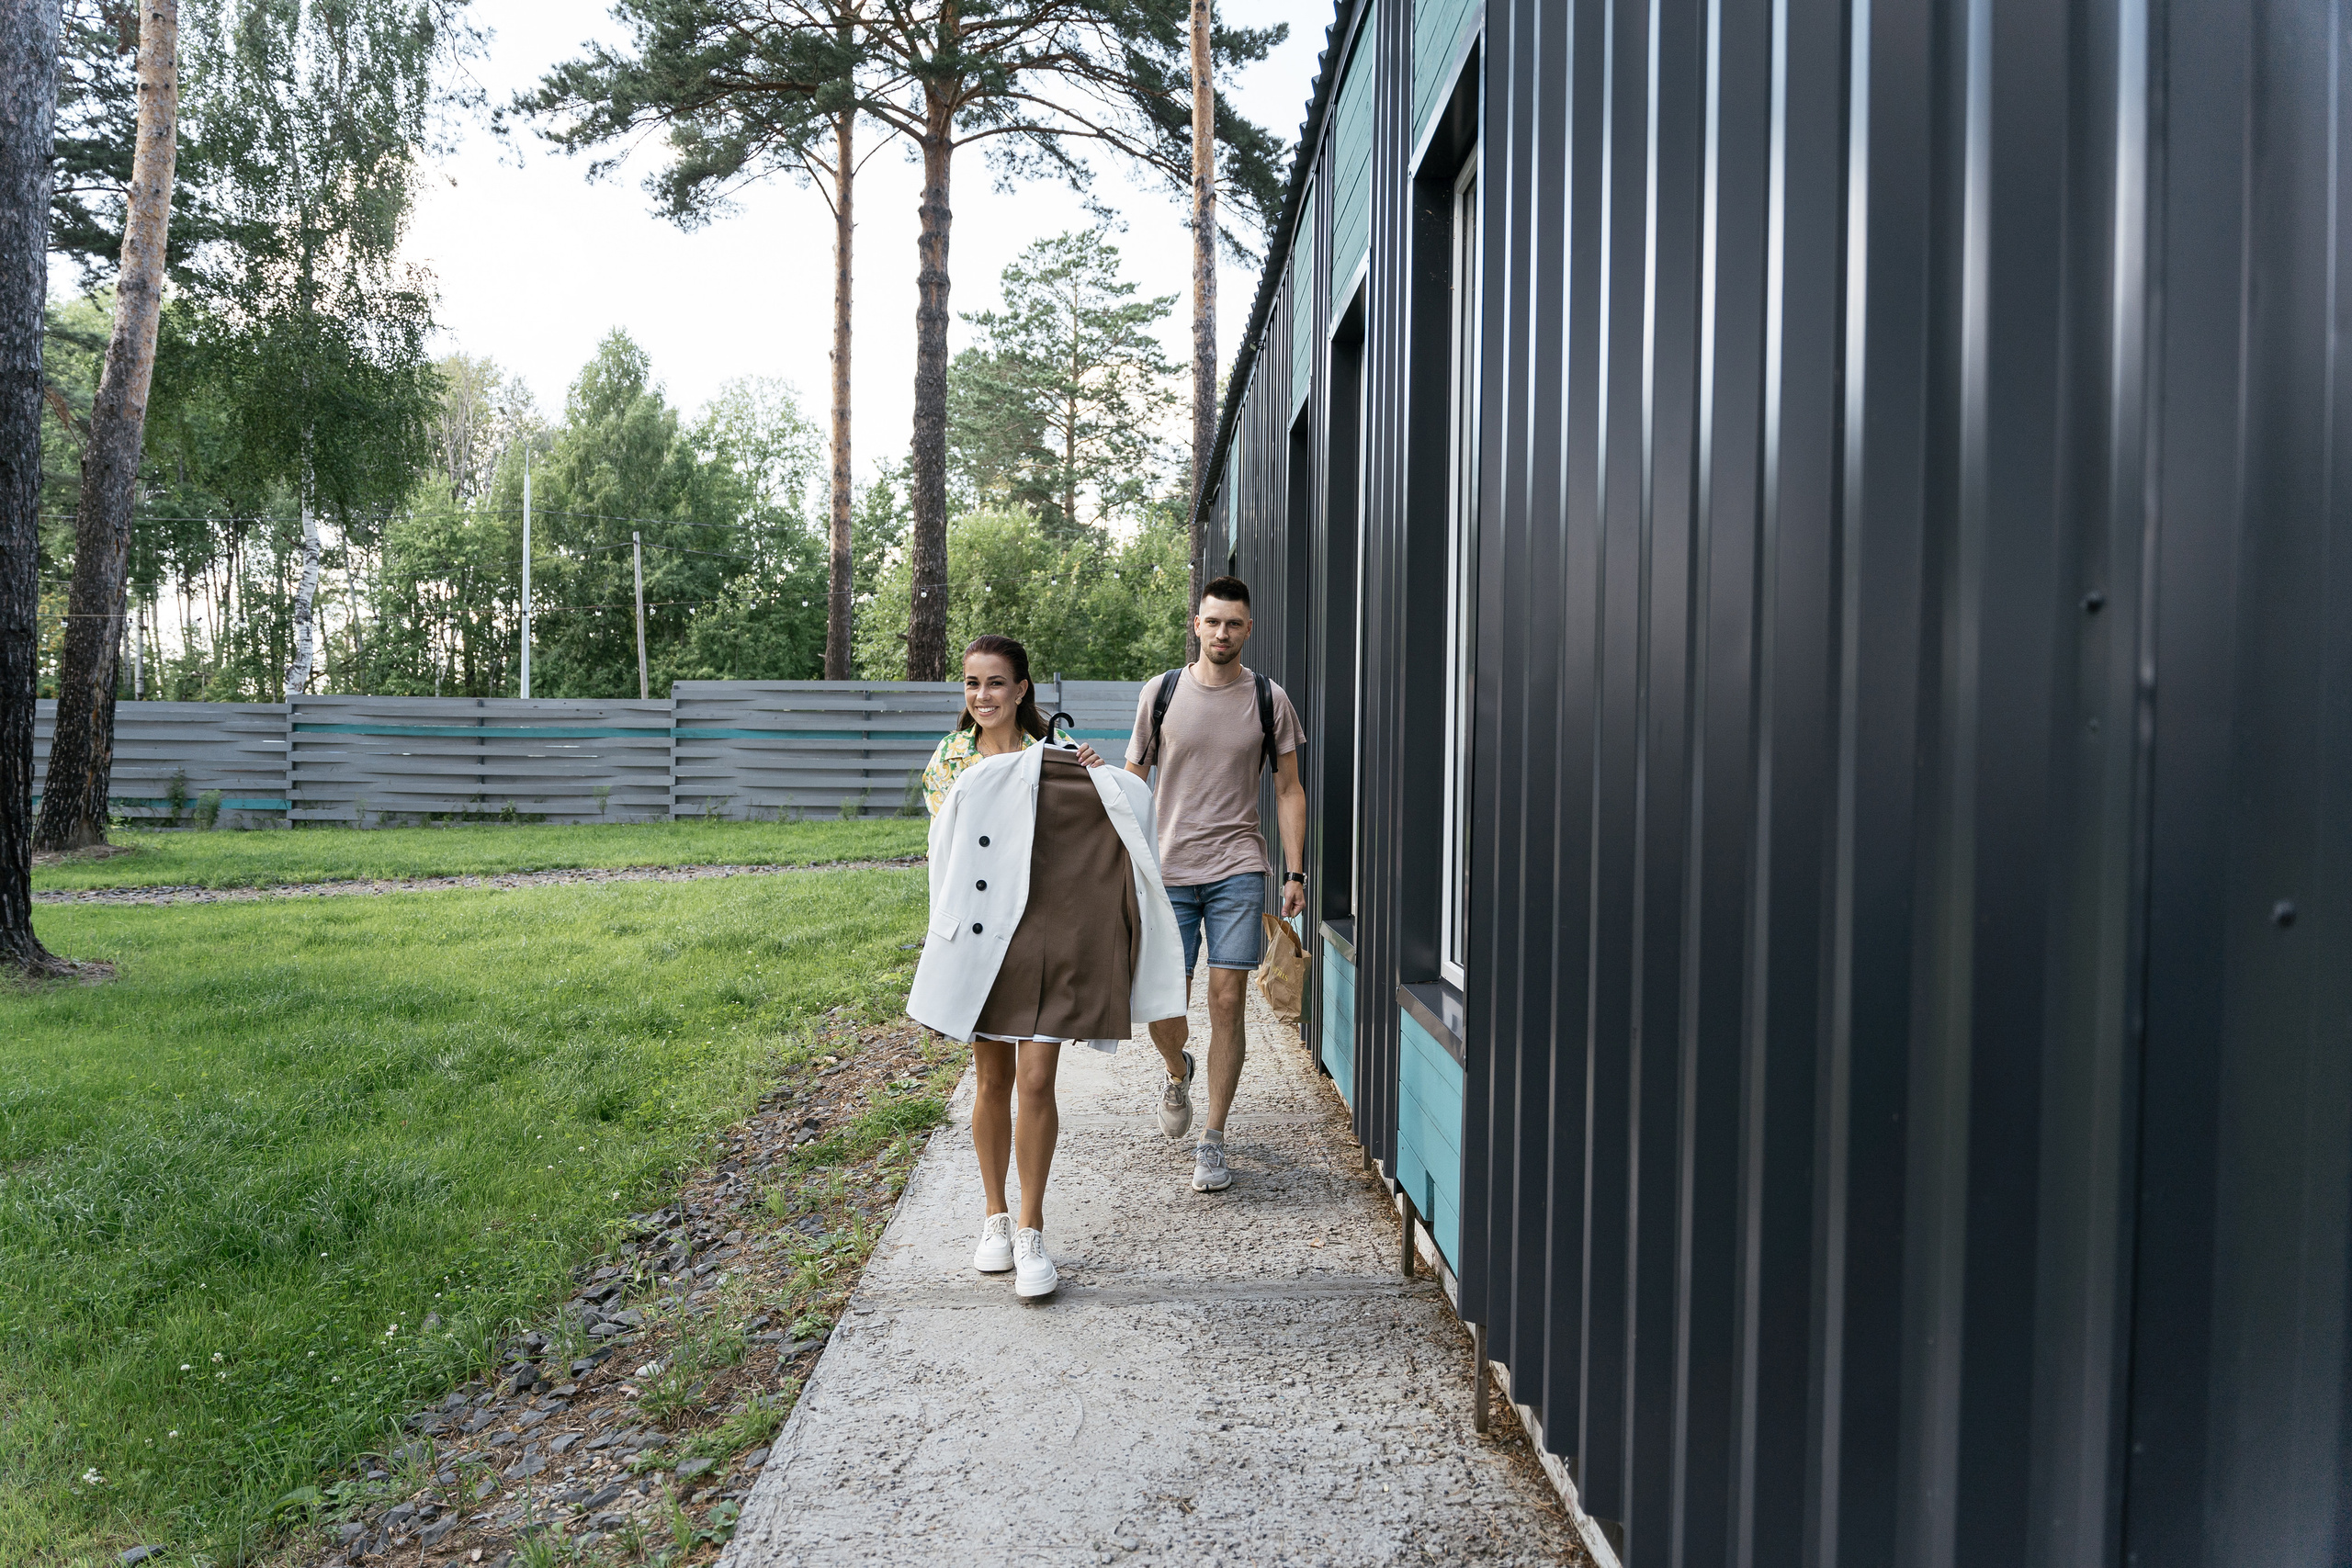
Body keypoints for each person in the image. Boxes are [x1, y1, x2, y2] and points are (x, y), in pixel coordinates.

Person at [908, 636, 1184, 1299]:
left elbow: (1119, 816)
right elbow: (951, 858)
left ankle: (1032, 1227)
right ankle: (994, 1216)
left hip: (1049, 933)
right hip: (983, 940)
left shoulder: (1057, 754)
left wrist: (1102, 779)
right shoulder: (949, 760)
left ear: (1022, 688)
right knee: (992, 1079)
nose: (983, 696)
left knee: (1037, 1078)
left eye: (996, 683)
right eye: (972, 683)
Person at [1125, 576, 1307, 1193]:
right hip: (1168, 871)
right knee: (1163, 1002)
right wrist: (1121, 861)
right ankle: (1177, 1070)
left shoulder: (1268, 698)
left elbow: (1288, 788)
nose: (1222, 632)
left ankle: (1214, 1136)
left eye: (1233, 623)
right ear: (1196, 625)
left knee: (1228, 999)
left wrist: (1295, 870)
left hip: (1238, 867)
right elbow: (1132, 781)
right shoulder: (1161, 693)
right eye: (1213, 621)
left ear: (1248, 629)